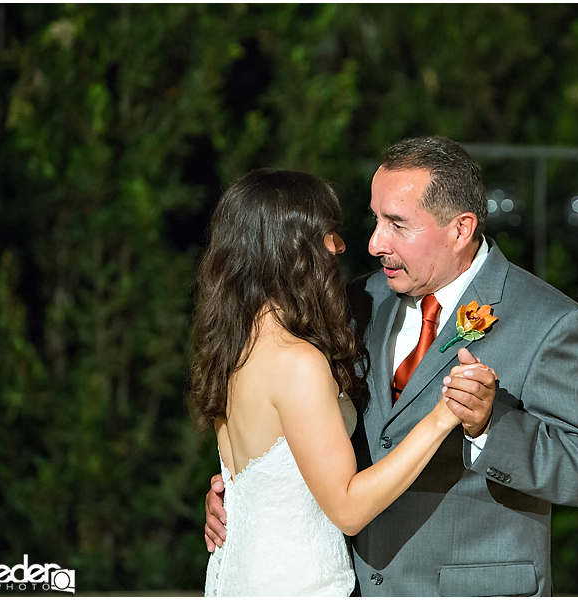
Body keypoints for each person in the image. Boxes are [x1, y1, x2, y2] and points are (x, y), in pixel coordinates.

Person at [205, 137, 578, 596]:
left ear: (460, 229)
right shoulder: (355, 303)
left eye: (397, 224)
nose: (375, 242)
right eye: (376, 219)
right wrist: (248, 496)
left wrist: (488, 429)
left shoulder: (549, 321)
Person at [191, 168, 495, 596]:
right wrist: (443, 416)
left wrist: (231, 498)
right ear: (291, 245)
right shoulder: (297, 361)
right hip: (299, 583)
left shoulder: (235, 341)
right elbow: (348, 509)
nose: (340, 246)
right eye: (327, 232)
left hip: (241, 571)